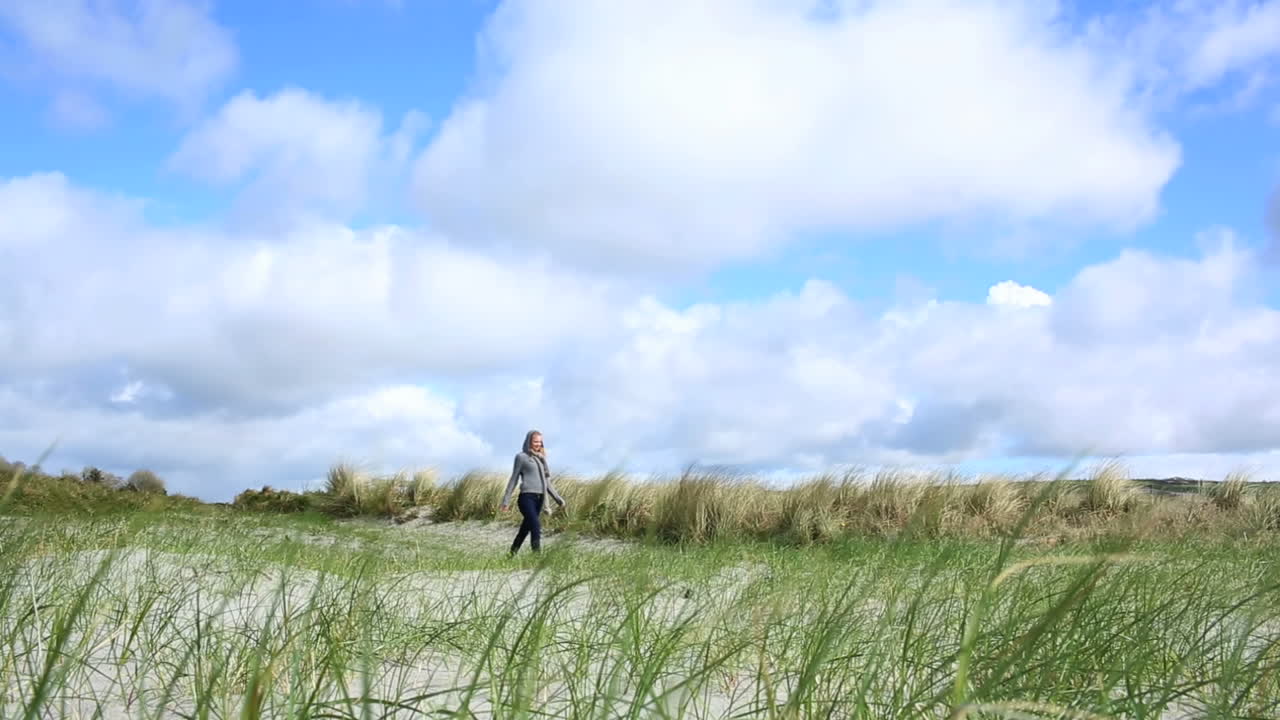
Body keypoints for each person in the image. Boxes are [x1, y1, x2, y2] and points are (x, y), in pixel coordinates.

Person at [499, 429, 565, 555]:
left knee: (525, 529)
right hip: (526, 498)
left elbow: (547, 484)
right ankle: (536, 557)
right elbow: (514, 479)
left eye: (540, 442)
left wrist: (559, 500)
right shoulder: (521, 457)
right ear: (529, 441)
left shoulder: (542, 460)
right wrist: (505, 501)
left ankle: (511, 554)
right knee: (535, 525)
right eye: (535, 441)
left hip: (539, 500)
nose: (538, 444)